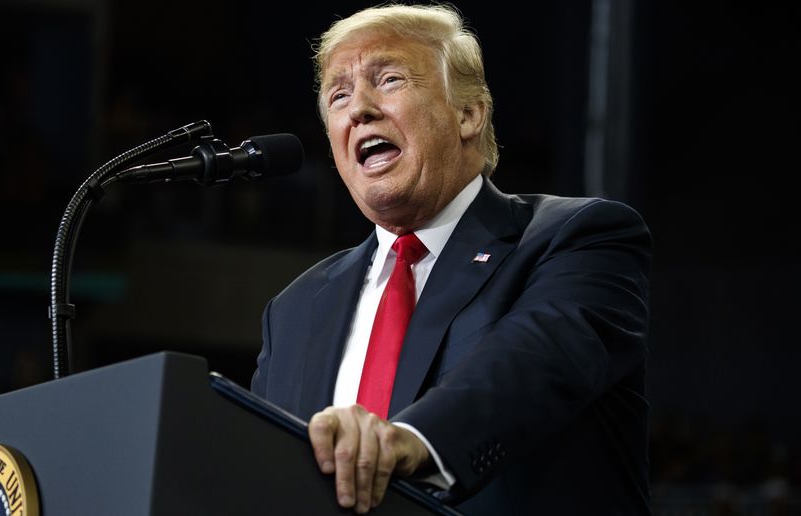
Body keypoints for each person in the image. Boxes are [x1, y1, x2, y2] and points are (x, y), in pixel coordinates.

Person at [251, 4, 652, 515]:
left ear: (468, 113)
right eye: (339, 94)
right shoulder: (293, 312)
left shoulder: (577, 239)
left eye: (389, 79)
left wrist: (409, 441)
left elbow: (530, 366)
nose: (359, 110)